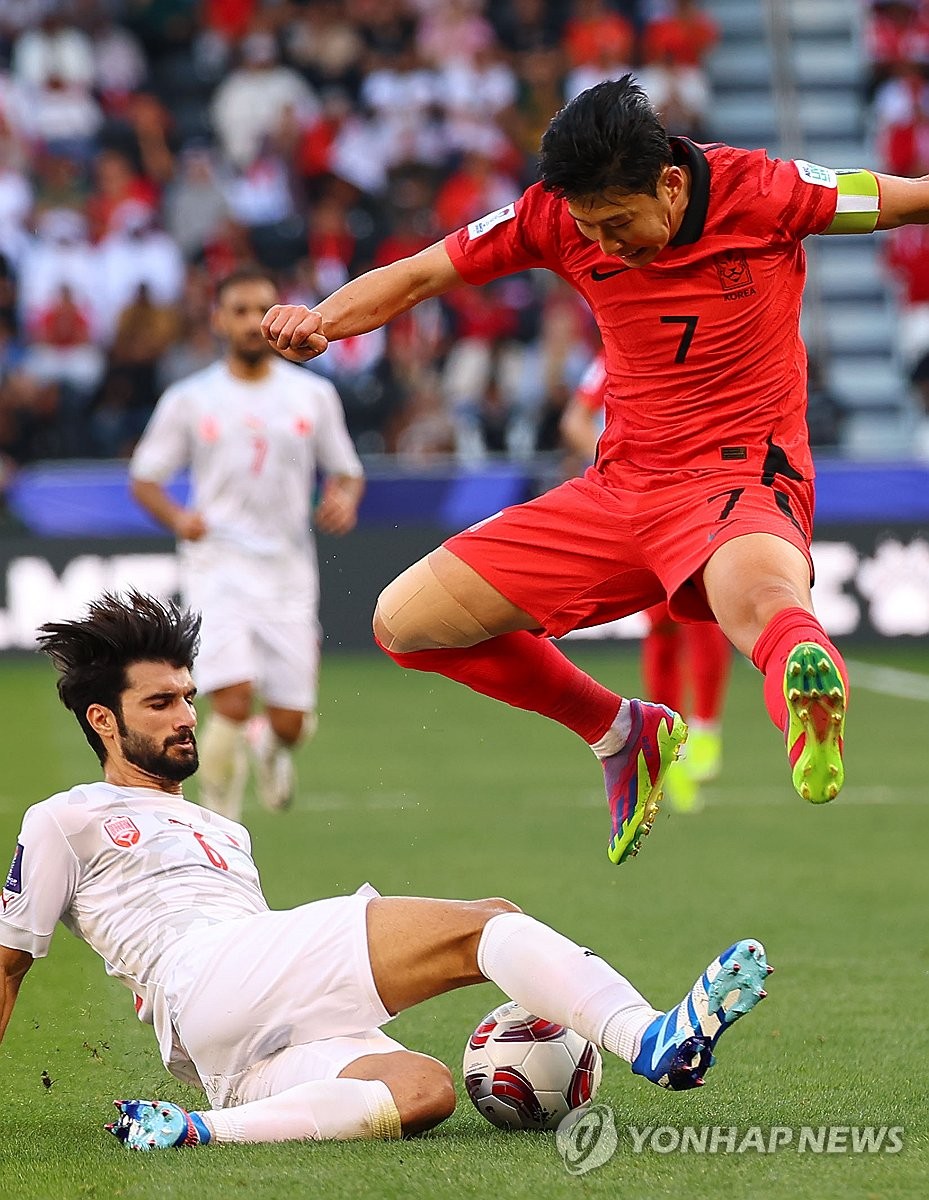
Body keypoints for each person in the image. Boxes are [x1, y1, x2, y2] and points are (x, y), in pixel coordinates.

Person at [260, 76, 903, 865]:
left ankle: (805, 704)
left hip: (737, 482)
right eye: (588, 227)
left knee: (765, 605)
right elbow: (422, 273)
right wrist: (320, 317)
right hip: (617, 490)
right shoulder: (550, 216)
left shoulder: (765, 190)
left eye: (619, 223)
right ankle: (621, 730)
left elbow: (908, 199)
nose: (603, 246)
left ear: (670, 184)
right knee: (406, 622)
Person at [0, 591, 772, 1150]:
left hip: (225, 1038)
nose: (187, 717)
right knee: (483, 923)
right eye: (161, 702)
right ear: (103, 719)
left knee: (422, 1091)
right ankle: (648, 1039)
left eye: (189, 699)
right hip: (200, 979)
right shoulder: (65, 816)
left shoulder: (221, 829)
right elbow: (8, 967)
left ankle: (194, 1130)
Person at [130, 266, 365, 819]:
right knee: (230, 702)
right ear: (219, 320)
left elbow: (347, 470)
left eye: (263, 309)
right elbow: (145, 476)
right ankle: (219, 829)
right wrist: (177, 516)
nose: (252, 322)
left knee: (291, 722)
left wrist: (345, 497)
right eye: (239, 310)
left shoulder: (314, 395)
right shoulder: (192, 398)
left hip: (287, 570)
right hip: (219, 564)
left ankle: (273, 747)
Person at [560, 352, 732, 813]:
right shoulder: (614, 353)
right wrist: (619, 459)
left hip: (692, 497)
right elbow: (575, 421)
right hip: (635, 506)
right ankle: (669, 740)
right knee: (661, 626)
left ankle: (706, 729)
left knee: (700, 611)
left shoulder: (692, 345)